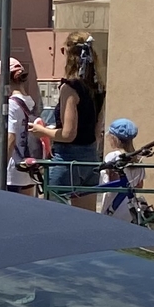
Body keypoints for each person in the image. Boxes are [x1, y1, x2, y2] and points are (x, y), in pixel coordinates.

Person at [31, 36, 102, 207]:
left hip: (67, 160)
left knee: (52, 218)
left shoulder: (69, 87)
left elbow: (68, 134)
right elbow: (96, 131)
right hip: (91, 159)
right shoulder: (97, 87)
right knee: (86, 221)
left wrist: (42, 131)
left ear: (68, 55)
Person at [0, 57, 38, 193]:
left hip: (12, 170)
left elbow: (10, 139)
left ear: (3, 79)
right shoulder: (30, 102)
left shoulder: (11, 104)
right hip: (27, 168)